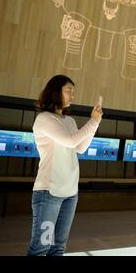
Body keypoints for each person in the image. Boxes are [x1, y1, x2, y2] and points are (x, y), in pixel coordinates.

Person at [27, 75, 103, 256]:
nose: (72, 95)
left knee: (58, 248)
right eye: (68, 90)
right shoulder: (44, 119)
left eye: (73, 91)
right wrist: (92, 121)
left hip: (70, 193)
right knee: (41, 248)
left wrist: (95, 124)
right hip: (49, 193)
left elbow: (80, 147)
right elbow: (70, 141)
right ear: (55, 91)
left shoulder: (69, 121)